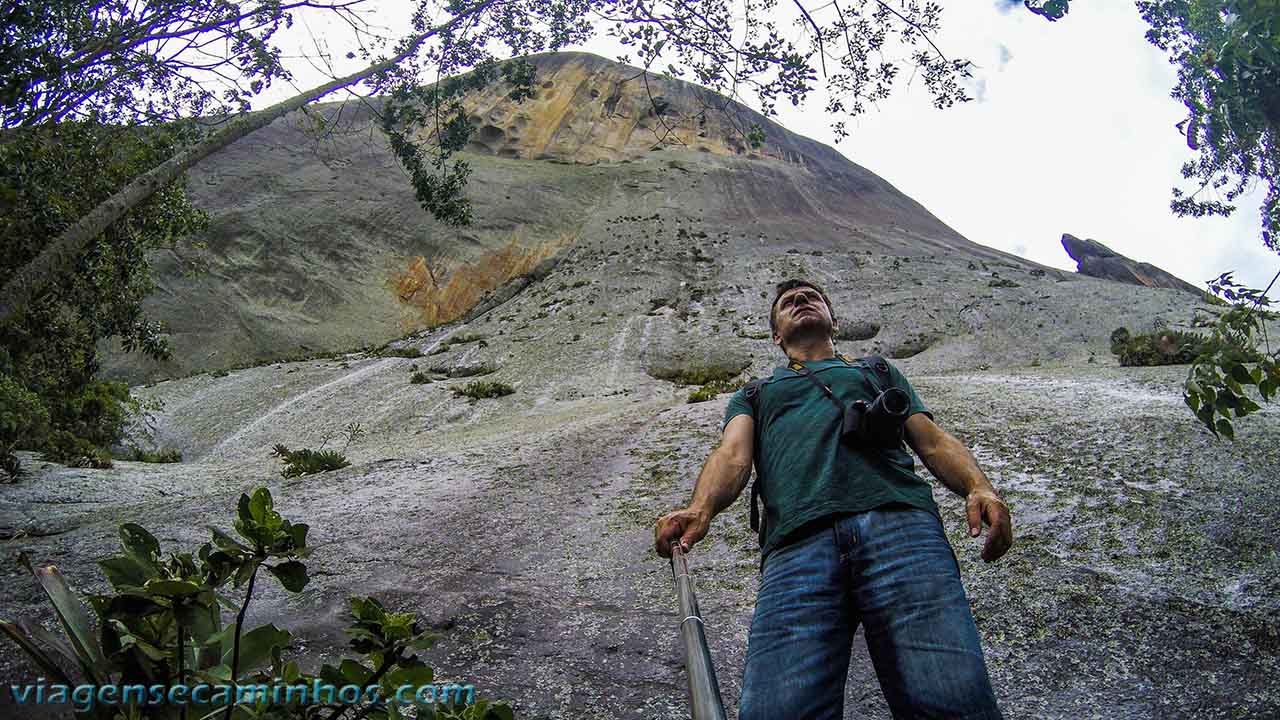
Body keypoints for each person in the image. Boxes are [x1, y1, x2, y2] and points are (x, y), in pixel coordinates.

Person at [654, 279, 1013, 720]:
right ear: (776, 337)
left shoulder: (877, 372)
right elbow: (732, 455)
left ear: (834, 321)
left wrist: (980, 486)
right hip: (796, 547)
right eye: (788, 303)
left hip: (902, 528)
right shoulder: (756, 393)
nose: (801, 301)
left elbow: (933, 441)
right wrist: (700, 508)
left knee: (953, 702)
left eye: (811, 298)